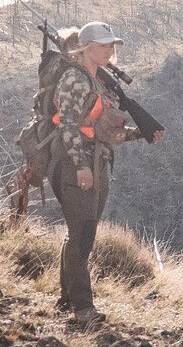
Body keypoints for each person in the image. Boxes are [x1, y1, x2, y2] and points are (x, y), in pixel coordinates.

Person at [46, 21, 158, 319]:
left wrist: (142, 133)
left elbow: (105, 130)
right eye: (105, 44)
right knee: (83, 233)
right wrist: (81, 166)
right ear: (87, 47)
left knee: (82, 231)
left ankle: (66, 298)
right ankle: (83, 308)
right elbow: (68, 125)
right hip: (74, 164)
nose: (110, 49)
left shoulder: (103, 83)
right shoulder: (74, 79)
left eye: (112, 45)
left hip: (99, 162)